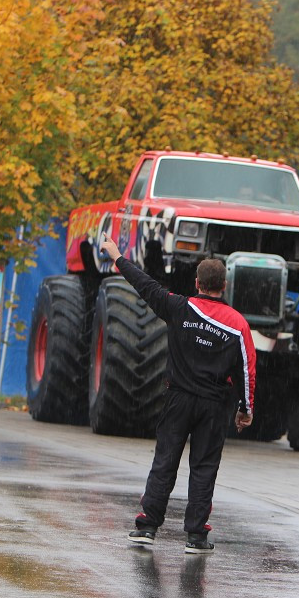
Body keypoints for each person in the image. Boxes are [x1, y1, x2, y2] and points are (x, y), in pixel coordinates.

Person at [99, 231, 255, 554]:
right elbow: (247, 369)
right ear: (223, 286)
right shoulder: (237, 324)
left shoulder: (177, 308)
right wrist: (245, 408)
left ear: (197, 283)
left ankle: (147, 526)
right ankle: (196, 536)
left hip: (178, 399)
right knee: (204, 468)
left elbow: (144, 285)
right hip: (214, 406)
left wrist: (117, 256)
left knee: (165, 460)